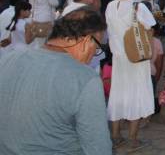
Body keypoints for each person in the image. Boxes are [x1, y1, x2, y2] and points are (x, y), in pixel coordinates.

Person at [0, 8, 112, 154]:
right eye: (96, 48)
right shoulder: (85, 79)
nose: (93, 56)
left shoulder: (8, 59)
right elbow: (98, 147)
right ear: (85, 41)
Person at [105, 0, 156, 151]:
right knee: (137, 93)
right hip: (136, 56)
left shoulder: (110, 6)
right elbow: (150, 27)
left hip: (118, 57)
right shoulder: (138, 7)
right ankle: (133, 138)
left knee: (118, 93)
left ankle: (115, 134)